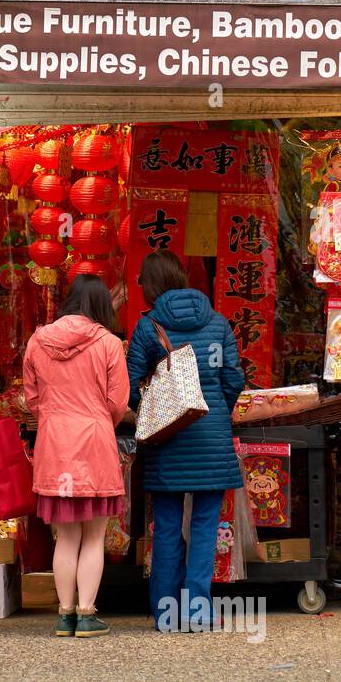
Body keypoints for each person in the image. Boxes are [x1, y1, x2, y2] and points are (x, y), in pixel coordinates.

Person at [126, 251, 245, 633]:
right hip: (213, 442)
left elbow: (128, 386)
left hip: (169, 443)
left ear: (152, 284)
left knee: (167, 526)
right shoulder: (218, 322)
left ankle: (166, 614)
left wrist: (157, 410)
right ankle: (199, 610)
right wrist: (215, 413)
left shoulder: (149, 328)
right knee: (206, 527)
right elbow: (234, 380)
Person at [24, 275, 130, 638]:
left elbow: (32, 400)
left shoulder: (38, 341)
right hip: (95, 443)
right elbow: (118, 403)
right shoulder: (109, 344)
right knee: (94, 537)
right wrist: (100, 419)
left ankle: (64, 613)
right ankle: (87, 614)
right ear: (101, 305)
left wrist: (53, 416)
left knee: (65, 537)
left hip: (54, 444)